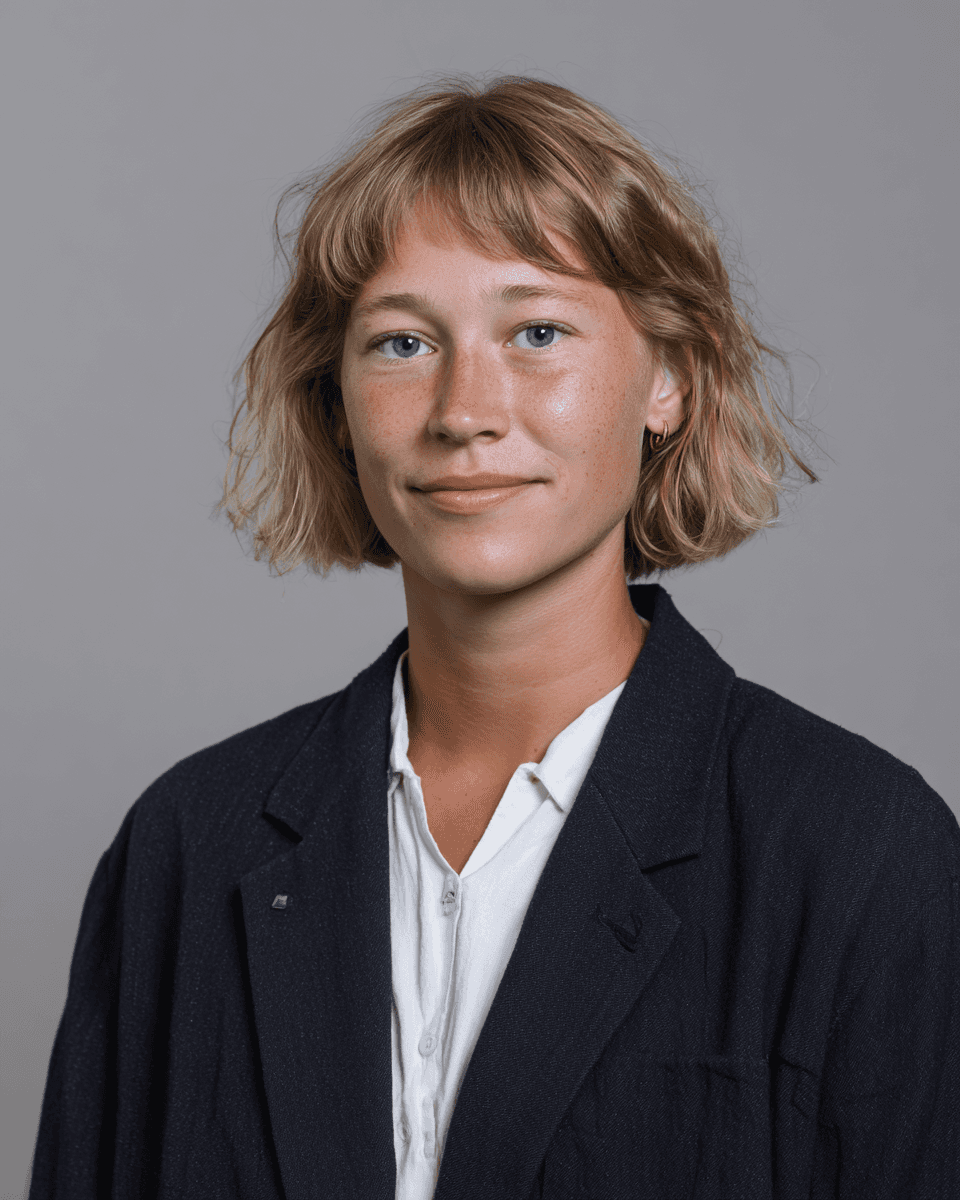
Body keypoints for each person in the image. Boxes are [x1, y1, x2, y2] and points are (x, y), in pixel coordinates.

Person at [29, 76, 958, 1200]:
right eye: (403, 343)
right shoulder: (187, 849)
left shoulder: (861, 853)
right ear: (333, 400)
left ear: (668, 374)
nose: (466, 409)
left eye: (536, 330)